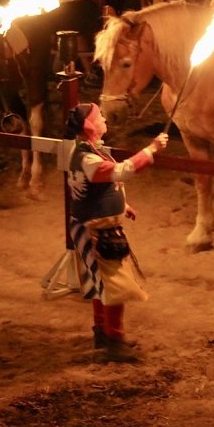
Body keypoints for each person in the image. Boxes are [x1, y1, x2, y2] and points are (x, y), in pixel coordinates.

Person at [65, 102, 169, 361]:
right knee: (114, 287)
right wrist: (151, 149)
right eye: (100, 117)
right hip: (95, 232)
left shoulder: (90, 151)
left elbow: (101, 186)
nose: (104, 120)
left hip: (96, 227)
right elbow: (121, 171)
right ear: (89, 125)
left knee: (101, 285)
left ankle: (103, 334)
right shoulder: (87, 157)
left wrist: (123, 206)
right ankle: (114, 340)